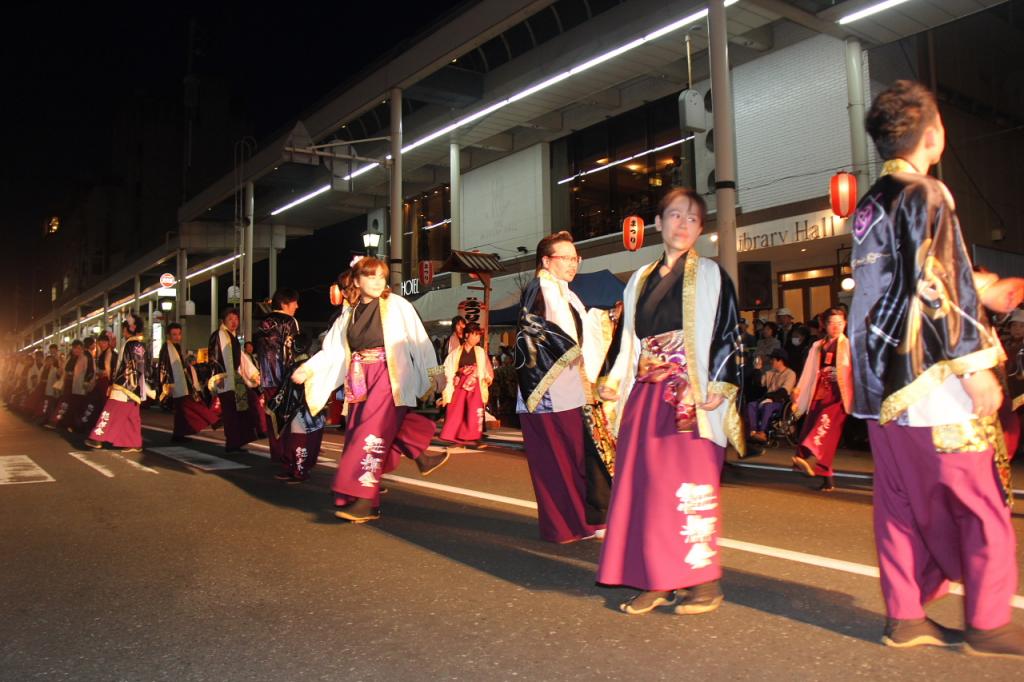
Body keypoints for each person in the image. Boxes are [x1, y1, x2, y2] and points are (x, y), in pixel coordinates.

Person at [850, 80, 1024, 655]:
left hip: (881, 384)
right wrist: (974, 367)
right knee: (979, 499)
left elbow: (900, 282)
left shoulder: (870, 204)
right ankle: (989, 622)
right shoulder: (927, 192)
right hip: (932, 375)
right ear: (933, 133)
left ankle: (905, 616)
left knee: (898, 505)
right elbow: (933, 282)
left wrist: (982, 286)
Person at [596, 187, 743, 616]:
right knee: (645, 488)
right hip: (646, 394)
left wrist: (717, 384)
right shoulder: (639, 279)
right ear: (658, 223)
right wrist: (613, 379)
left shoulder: (712, 275)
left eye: (692, 219)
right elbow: (628, 339)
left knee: (688, 486)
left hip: (689, 398)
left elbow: (728, 334)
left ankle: (703, 581)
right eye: (675, 215)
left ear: (700, 229)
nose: (683, 225)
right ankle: (656, 577)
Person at [291, 257, 447, 523]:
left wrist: (434, 371)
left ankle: (364, 499)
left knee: (369, 434)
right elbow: (333, 350)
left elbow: (419, 340)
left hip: (388, 376)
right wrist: (308, 369)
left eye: (381, 276)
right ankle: (374, 494)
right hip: (360, 380)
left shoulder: (397, 304)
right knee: (359, 433)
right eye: (370, 276)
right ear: (356, 280)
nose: (377, 282)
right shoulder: (348, 314)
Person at [515, 231, 615, 544]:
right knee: (560, 459)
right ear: (546, 261)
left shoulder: (566, 293)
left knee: (574, 456)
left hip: (569, 387)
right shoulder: (541, 288)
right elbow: (541, 332)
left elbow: (579, 334)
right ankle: (568, 525)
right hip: (548, 391)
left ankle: (583, 520)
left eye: (576, 258)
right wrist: (572, 352)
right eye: (566, 258)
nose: (573, 264)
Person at [790, 308, 853, 492]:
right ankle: (827, 478)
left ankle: (811, 458)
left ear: (845, 324)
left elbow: (855, 371)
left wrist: (841, 375)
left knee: (823, 426)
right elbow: (809, 371)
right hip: (819, 392)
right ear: (825, 325)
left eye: (840, 323)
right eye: (832, 323)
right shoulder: (818, 345)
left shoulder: (849, 346)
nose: (836, 327)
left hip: (839, 395)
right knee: (815, 427)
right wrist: (799, 390)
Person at [85, 314, 153, 452]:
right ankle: (133, 442)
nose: (123, 332)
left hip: (126, 385)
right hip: (132, 386)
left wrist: (117, 383)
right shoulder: (136, 344)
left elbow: (132, 367)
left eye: (124, 329)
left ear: (130, 329)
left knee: (110, 411)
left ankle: (97, 438)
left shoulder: (133, 344)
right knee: (131, 417)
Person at [267, 333, 325, 483]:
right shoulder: (315, 365)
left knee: (298, 441)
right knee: (309, 441)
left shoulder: (296, 367)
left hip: (298, 410)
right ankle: (299, 469)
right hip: (315, 409)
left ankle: (299, 472)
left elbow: (287, 392)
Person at [254, 288, 301, 471]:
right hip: (285, 378)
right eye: (294, 302)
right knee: (288, 418)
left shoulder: (263, 323)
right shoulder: (289, 321)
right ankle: (288, 455)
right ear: (284, 304)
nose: (297, 306)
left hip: (267, 379)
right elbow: (293, 349)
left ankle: (276, 452)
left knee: (272, 416)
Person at [208, 308, 261, 453]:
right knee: (232, 412)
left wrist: (252, 375)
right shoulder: (219, 335)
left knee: (241, 408)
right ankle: (233, 443)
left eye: (236, 319)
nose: (234, 322)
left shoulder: (232, 337)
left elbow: (240, 359)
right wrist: (218, 379)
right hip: (224, 380)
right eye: (230, 319)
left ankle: (238, 441)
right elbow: (214, 359)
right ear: (223, 320)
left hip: (234, 380)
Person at [159, 323, 220, 442]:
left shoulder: (174, 347)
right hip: (176, 383)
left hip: (179, 382)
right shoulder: (167, 348)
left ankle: (178, 434)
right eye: (174, 334)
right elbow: (164, 367)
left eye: (179, 334)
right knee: (192, 404)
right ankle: (213, 420)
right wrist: (168, 384)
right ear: (168, 335)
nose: (177, 337)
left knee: (181, 410)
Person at [438, 322, 493, 445]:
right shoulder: (455, 352)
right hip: (460, 384)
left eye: (478, 335)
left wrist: (487, 377)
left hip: (475, 385)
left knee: (474, 411)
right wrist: (452, 379)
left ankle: (473, 436)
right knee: (457, 410)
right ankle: (455, 435)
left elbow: (486, 368)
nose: (477, 338)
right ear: (467, 335)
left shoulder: (480, 351)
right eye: (475, 335)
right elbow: (447, 368)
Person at [746, 349, 796, 443]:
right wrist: (757, 369)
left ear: (780, 360)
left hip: (780, 401)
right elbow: (759, 382)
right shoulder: (771, 372)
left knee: (768, 406)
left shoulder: (790, 374)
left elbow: (784, 391)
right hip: (767, 399)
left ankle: (762, 432)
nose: (771, 361)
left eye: (773, 359)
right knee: (751, 405)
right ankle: (753, 432)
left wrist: (770, 398)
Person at [49, 339, 94, 431]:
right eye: (75, 348)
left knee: (75, 405)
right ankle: (61, 422)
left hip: (78, 385)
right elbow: (64, 370)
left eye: (79, 348)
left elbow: (90, 370)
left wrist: (86, 381)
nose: (76, 350)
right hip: (68, 383)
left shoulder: (85, 358)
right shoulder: (70, 358)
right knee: (65, 403)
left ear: (82, 348)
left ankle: (73, 425)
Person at [78, 333, 117, 434]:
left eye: (104, 342)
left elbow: (110, 371)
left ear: (108, 342)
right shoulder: (103, 353)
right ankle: (89, 425)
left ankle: (95, 426)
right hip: (101, 382)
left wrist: (108, 381)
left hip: (106, 382)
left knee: (100, 404)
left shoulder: (110, 354)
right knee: (95, 403)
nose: (101, 344)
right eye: (100, 342)